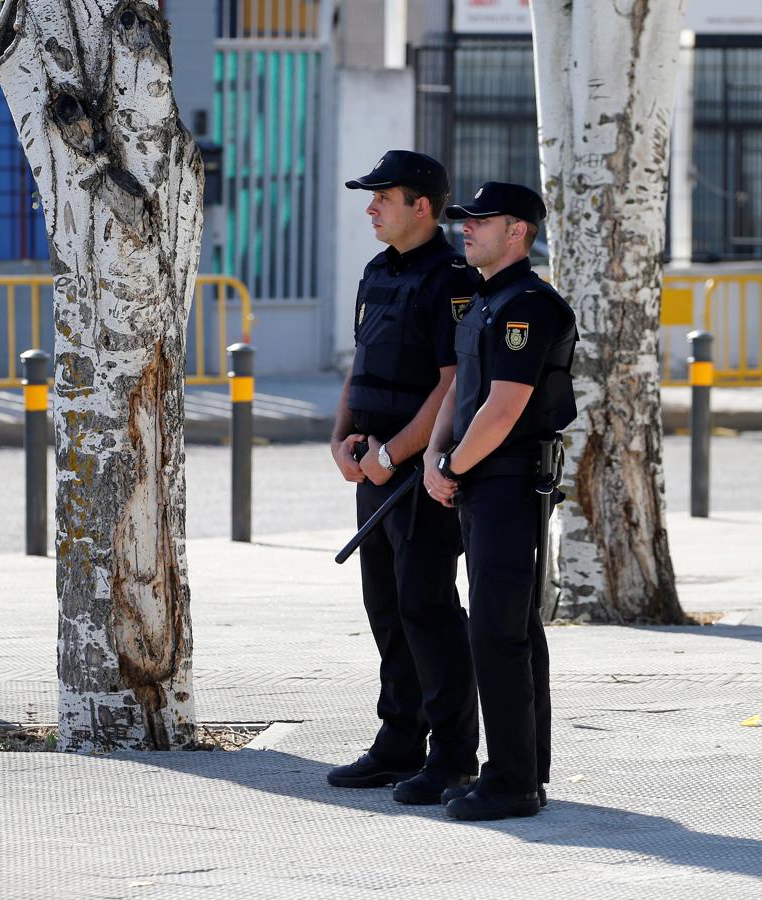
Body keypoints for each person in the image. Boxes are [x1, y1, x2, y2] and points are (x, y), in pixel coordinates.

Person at [327, 150, 482, 804]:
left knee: (427, 609)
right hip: (374, 465)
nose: (370, 208)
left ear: (421, 206)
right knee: (386, 610)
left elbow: (451, 385)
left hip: (416, 473)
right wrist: (340, 440)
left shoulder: (451, 276)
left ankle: (450, 756)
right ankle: (397, 742)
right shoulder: (376, 270)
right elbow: (360, 364)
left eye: (381, 198)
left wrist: (393, 455)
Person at [423, 182, 578, 821]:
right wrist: (437, 457)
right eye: (465, 220)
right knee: (510, 628)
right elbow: (461, 395)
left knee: (498, 632)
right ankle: (526, 771)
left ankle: (512, 782)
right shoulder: (486, 300)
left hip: (509, 482)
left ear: (518, 230)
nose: (466, 228)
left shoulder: (529, 306)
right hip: (476, 478)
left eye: (480, 221)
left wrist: (451, 464)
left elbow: (505, 408)